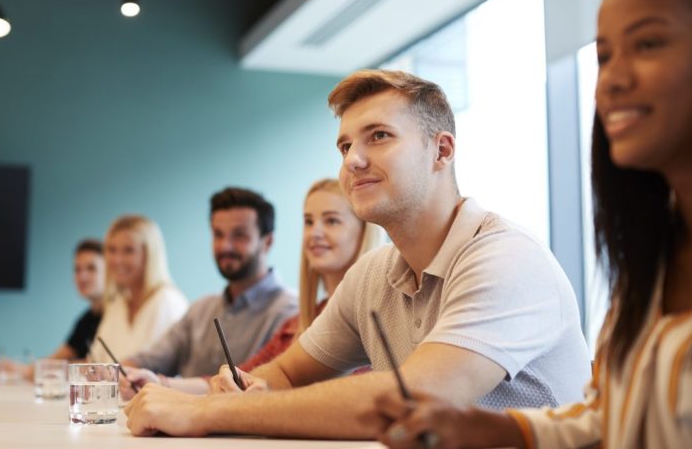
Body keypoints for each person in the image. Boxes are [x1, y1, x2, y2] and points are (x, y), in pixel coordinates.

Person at [122, 70, 591, 439]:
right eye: (345, 145)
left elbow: (414, 397)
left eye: (379, 136)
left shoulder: (506, 258)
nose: (352, 160)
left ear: (442, 151)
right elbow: (286, 371)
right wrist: (247, 388)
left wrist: (210, 411)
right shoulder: (373, 273)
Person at [371, 0, 692, 448]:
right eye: (604, 56)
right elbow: (612, 413)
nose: (612, 79)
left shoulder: (505, 256)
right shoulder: (653, 258)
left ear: (442, 151)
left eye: (648, 44)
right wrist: (489, 428)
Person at [118, 187, 298, 395]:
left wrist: (162, 383)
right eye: (218, 234)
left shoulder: (291, 313)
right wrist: (120, 373)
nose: (225, 246)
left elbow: (261, 381)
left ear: (267, 242)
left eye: (239, 235)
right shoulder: (201, 309)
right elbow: (151, 359)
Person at [235, 178, 385, 373]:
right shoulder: (293, 327)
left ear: (364, 230)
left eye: (331, 221)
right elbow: (245, 376)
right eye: (308, 222)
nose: (315, 233)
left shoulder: (382, 322)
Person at [0, 239, 106, 381]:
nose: (82, 276)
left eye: (91, 268)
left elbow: (97, 367)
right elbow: (55, 360)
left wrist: (30, 370)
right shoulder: (85, 320)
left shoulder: (116, 318)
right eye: (77, 270)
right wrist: (21, 369)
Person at [86, 215, 188, 363]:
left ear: (149, 254)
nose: (117, 260)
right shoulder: (117, 304)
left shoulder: (168, 302)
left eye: (129, 250)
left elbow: (168, 366)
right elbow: (94, 363)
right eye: (112, 250)